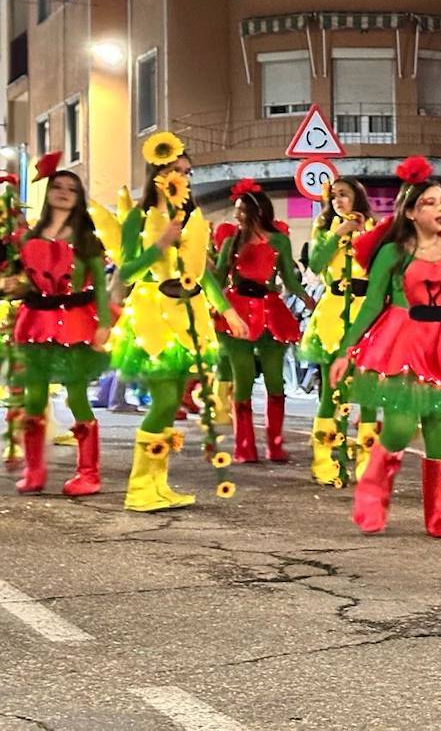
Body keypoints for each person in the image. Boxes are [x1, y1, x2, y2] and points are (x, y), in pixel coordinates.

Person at [329, 156, 441, 540]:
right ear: (409, 211)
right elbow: (372, 305)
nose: (439, 210)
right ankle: (372, 493)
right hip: (402, 343)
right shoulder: (393, 253)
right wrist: (345, 351)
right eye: (429, 203)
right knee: (401, 428)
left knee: (440, 433)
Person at [112, 132, 248, 512]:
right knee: (166, 400)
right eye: (175, 171)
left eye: (187, 173)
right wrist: (159, 244)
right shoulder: (139, 217)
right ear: (157, 173)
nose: (182, 179)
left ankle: (157, 484)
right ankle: (140, 489)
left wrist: (229, 311)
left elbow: (202, 273)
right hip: (155, 313)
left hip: (190, 313)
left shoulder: (193, 217)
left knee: (171, 403)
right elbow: (126, 271)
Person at [4, 158, 111, 495]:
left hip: (75, 323)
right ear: (48, 193)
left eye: (72, 189)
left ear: (79, 198)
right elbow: (21, 280)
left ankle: (89, 473)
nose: (64, 193)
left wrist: (104, 324)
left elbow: (102, 290)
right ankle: (35, 471)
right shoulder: (27, 237)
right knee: (34, 397)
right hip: (34, 322)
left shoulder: (88, 240)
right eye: (58, 187)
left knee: (76, 396)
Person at [214, 179, 314, 466]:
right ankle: (244, 445)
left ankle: (275, 444)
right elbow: (219, 276)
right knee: (243, 378)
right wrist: (206, 300)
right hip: (237, 312)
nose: (237, 216)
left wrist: (308, 299)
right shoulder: (232, 240)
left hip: (271, 311)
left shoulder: (280, 240)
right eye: (236, 211)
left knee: (274, 380)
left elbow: (290, 279)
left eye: (241, 210)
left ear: (257, 211)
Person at [300, 176, 378, 484]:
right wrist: (337, 234)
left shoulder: (375, 228)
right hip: (333, 314)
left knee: (368, 392)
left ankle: (366, 462)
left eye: (344, 195)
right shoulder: (323, 228)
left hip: (367, 314)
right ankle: (326, 461)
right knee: (332, 392)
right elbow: (316, 264)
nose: (338, 201)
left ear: (357, 197)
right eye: (334, 196)